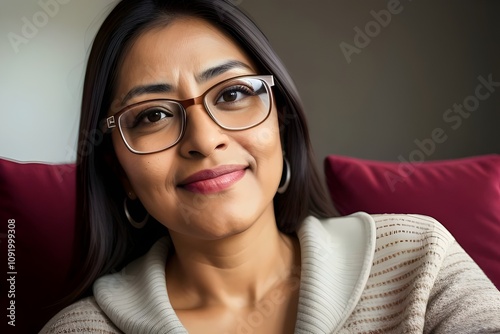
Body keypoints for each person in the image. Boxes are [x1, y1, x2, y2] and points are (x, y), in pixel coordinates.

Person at [41, 0, 500, 333]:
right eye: (153, 115)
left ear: (281, 121)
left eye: (232, 94)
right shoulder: (83, 329)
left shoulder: (419, 261)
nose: (204, 139)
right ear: (121, 171)